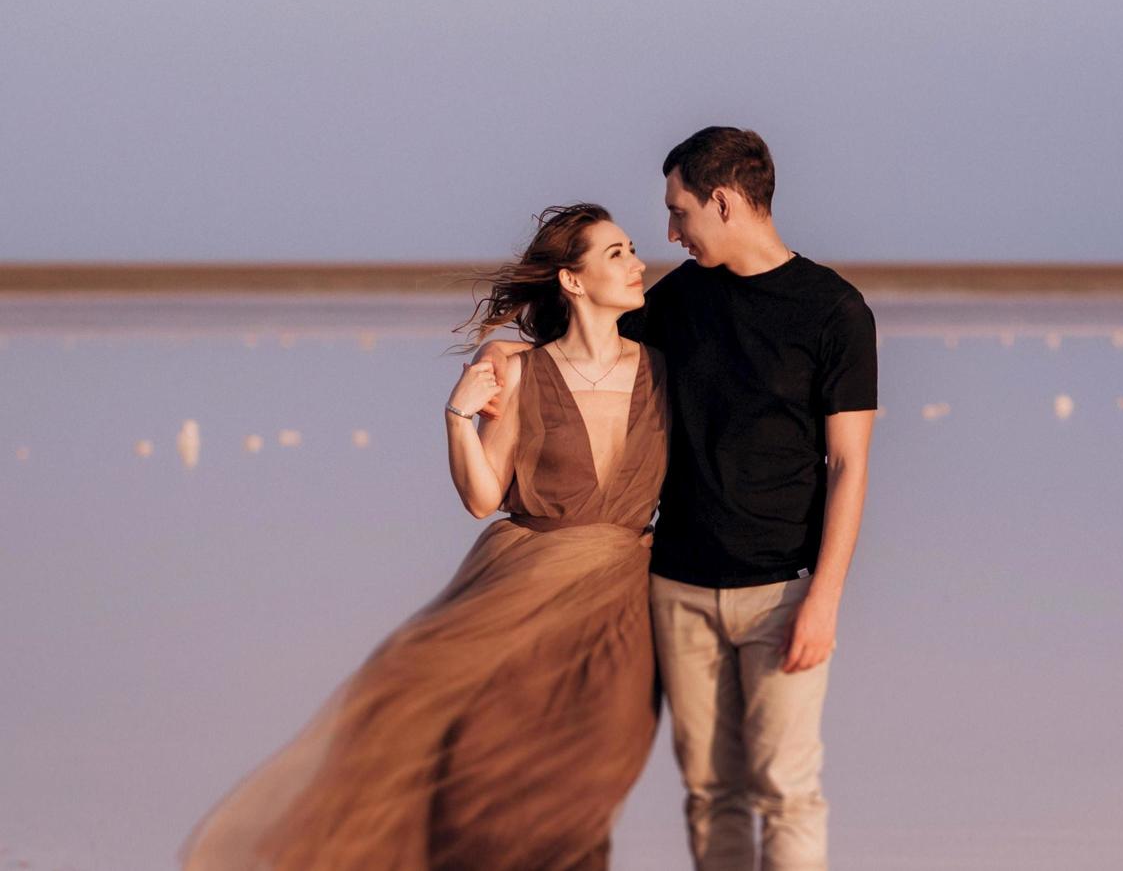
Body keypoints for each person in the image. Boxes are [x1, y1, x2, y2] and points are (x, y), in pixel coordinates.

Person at [180, 204, 668, 871]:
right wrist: (457, 418)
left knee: (593, 773)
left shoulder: (667, 372)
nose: (638, 263)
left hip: (623, 603)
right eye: (617, 253)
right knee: (489, 764)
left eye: (633, 249)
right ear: (572, 280)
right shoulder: (520, 369)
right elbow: (481, 498)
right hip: (520, 589)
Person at [489, 127, 878, 870]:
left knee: (788, 789)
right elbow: (578, 342)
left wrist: (824, 598)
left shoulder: (834, 311)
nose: (669, 232)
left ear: (724, 202)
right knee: (709, 790)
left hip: (783, 593)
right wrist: (496, 357)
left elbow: (850, 465)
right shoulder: (681, 300)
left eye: (680, 212)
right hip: (676, 587)